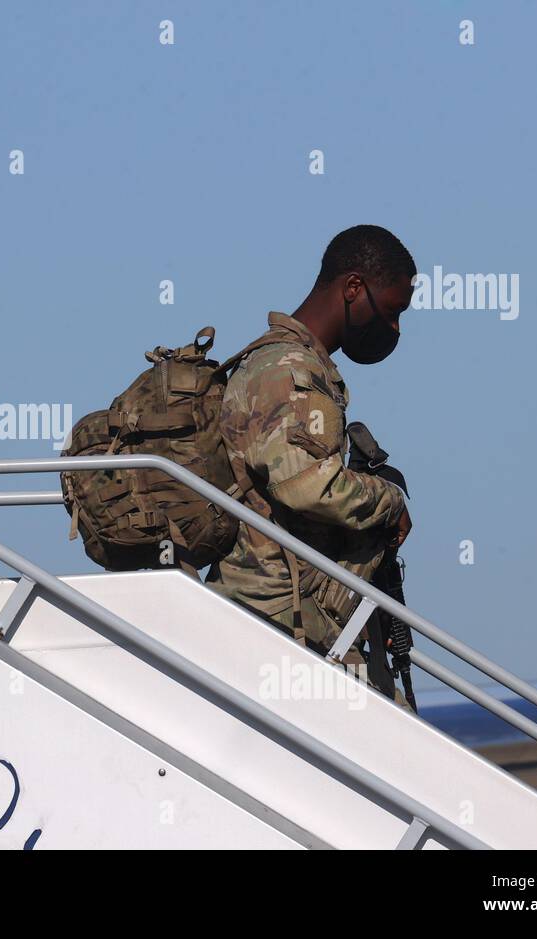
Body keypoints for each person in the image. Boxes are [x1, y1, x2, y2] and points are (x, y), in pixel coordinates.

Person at [206, 225, 414, 675]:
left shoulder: (285, 361)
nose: (394, 327)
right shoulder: (290, 368)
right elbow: (309, 487)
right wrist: (388, 499)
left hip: (286, 616)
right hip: (276, 619)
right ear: (354, 288)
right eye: (394, 310)